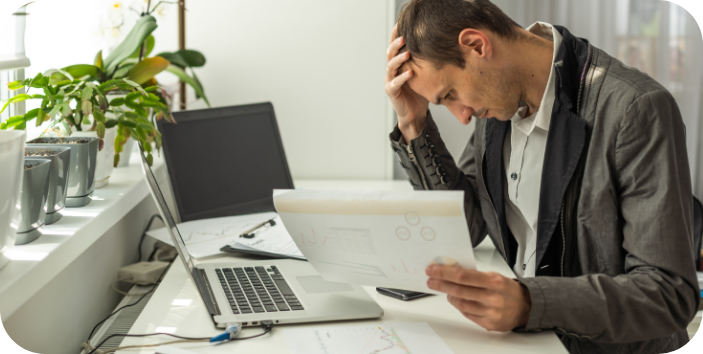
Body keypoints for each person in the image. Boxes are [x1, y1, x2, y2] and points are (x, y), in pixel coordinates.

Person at [384, 0, 700, 353]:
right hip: (528, 340)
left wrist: (531, 302)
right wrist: (414, 125)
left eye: (451, 94)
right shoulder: (497, 104)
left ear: (477, 45)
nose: (462, 116)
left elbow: (669, 293)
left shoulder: (635, 109)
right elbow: (468, 225)